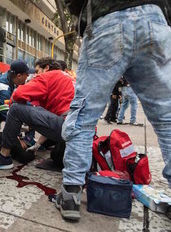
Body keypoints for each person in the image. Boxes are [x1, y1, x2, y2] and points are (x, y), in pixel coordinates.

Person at [58, 0, 171, 221]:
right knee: (167, 120)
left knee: (84, 114)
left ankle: (71, 193)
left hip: (107, 17)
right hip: (155, 19)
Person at [0, 66, 75, 170]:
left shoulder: (48, 76)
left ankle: (3, 157)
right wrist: (37, 145)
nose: (35, 75)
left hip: (67, 126)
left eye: (37, 71)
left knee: (15, 109)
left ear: (46, 68)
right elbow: (50, 123)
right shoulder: (68, 79)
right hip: (80, 132)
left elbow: (17, 95)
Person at [0, 59, 35, 132]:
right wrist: (21, 127)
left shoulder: (12, 79)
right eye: (27, 74)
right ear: (19, 76)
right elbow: (6, 114)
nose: (28, 76)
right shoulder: (3, 89)